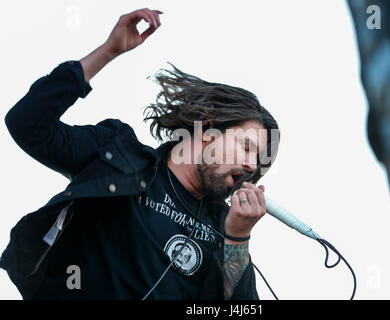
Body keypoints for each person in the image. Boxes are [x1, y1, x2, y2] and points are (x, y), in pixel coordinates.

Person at [0, 8, 280, 300]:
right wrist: (108, 52)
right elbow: (27, 123)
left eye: (257, 161)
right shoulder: (118, 153)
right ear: (208, 130)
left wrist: (237, 239)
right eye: (246, 147)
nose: (250, 164)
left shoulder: (224, 229)